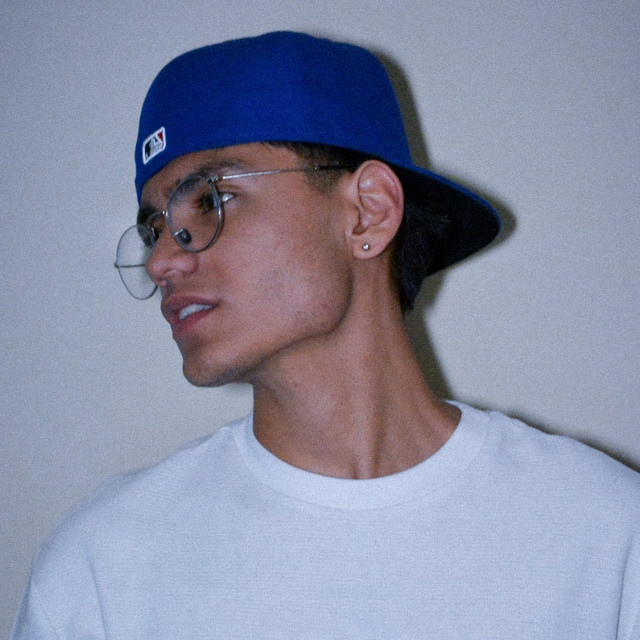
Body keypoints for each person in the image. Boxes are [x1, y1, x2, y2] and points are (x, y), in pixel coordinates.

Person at [11, 31, 640, 639]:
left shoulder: (603, 535)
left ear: (368, 211)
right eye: (155, 228)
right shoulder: (103, 567)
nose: (161, 262)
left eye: (209, 200)